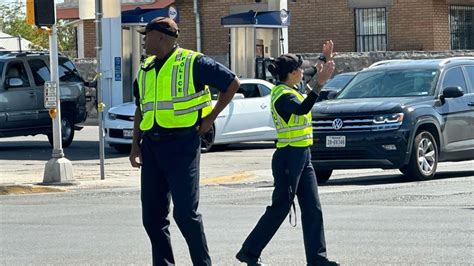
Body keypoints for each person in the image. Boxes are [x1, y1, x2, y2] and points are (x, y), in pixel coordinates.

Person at [129, 17, 240, 265]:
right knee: (152, 217)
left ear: (160, 37)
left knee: (185, 214)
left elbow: (232, 83)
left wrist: (210, 118)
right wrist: (135, 144)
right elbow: (141, 108)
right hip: (152, 146)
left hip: (182, 146)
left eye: (147, 36)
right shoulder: (146, 67)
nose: (144, 42)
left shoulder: (193, 62)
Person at [235, 40, 339, 266]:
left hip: (302, 156)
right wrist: (320, 83)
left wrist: (323, 58)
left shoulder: (292, 87)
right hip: (288, 158)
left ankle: (317, 259)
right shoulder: (283, 95)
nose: (304, 71)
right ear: (291, 74)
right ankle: (249, 251)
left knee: (313, 208)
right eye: (299, 69)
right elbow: (303, 108)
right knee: (280, 208)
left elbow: (312, 71)